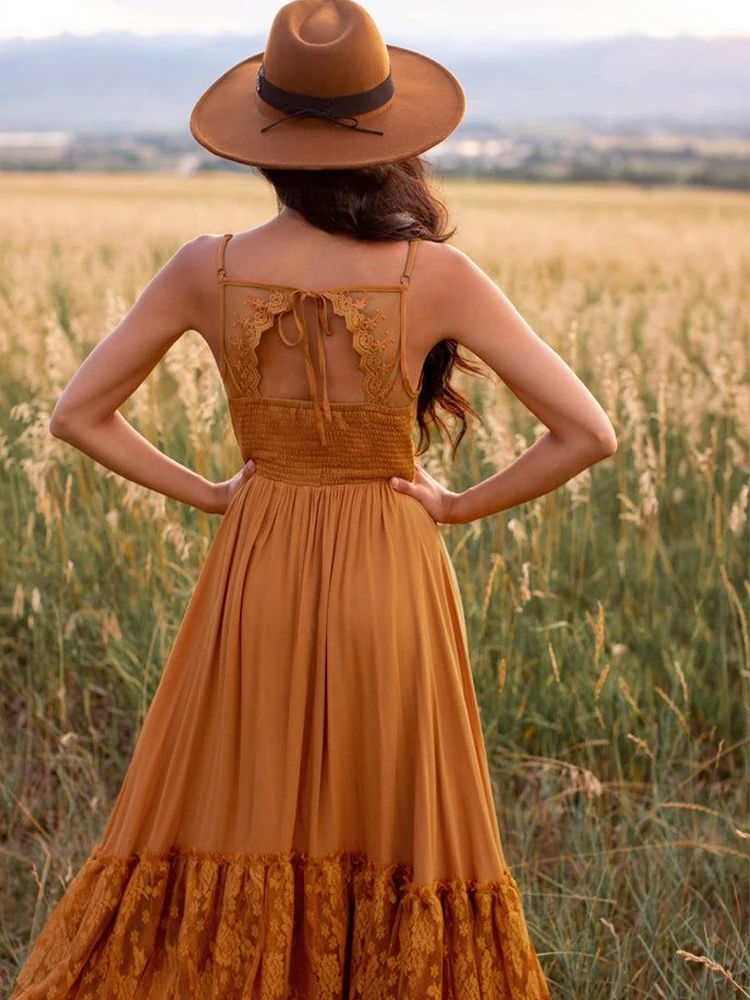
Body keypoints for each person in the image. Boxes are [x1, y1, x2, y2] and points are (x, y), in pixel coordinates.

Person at [10, 1, 616, 997]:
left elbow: (79, 413)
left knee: (246, 809)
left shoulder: (205, 267)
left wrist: (209, 493)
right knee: (385, 821)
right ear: (391, 142)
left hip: (255, 570)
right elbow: (589, 431)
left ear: (267, 144)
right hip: (392, 566)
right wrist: (458, 506)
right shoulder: (437, 273)